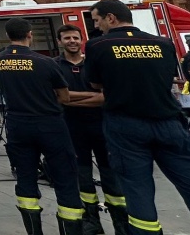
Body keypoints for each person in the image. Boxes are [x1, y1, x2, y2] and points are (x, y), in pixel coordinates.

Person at [86, 0, 190, 235]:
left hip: (126, 125)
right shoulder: (164, 43)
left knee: (137, 190)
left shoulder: (98, 45)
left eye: (97, 20)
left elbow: (95, 83)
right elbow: (169, 76)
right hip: (169, 123)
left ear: (111, 18)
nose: (97, 27)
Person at [0, 17, 84, 235]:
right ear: (30, 34)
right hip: (49, 124)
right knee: (65, 177)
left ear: (8, 36)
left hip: (17, 125)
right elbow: (64, 96)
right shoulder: (45, 62)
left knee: (25, 178)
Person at [54, 24, 127, 234]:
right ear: (60, 41)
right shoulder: (54, 66)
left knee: (111, 176)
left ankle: (121, 223)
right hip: (72, 129)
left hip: (103, 126)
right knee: (82, 177)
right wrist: (93, 98)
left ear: (81, 40)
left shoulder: (96, 63)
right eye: (67, 38)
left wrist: (69, 99)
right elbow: (57, 97)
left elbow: (108, 96)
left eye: (75, 38)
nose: (72, 41)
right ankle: (91, 222)